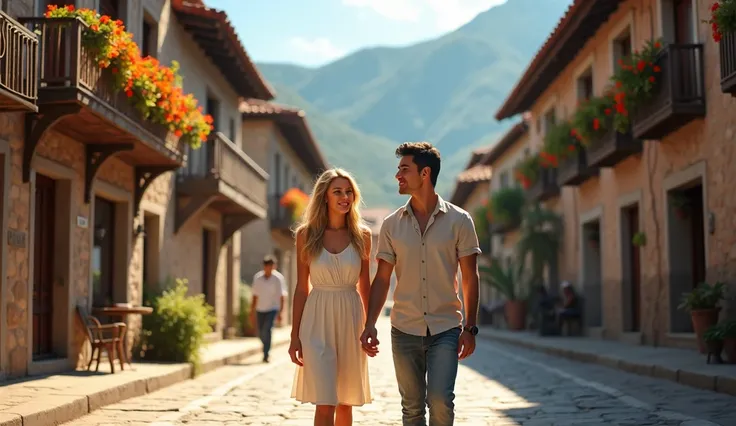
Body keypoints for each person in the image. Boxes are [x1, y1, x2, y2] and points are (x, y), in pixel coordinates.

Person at [360, 142, 482, 426]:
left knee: (440, 400)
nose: (397, 175)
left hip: (446, 328)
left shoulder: (460, 220)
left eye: (404, 169)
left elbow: (470, 276)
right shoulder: (391, 225)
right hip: (404, 329)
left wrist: (470, 327)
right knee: (412, 408)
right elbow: (382, 278)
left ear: (425, 173)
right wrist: (370, 323)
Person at [289, 168, 373, 426]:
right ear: (324, 196)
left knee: (345, 402)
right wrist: (294, 336)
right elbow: (302, 288)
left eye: (349, 192)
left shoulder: (363, 236)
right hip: (316, 319)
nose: (344, 197)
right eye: (337, 191)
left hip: (350, 317)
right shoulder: (306, 234)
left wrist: (370, 327)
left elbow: (365, 286)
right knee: (325, 401)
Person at [251, 255, 287, 363]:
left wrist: (281, 312)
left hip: (272, 308)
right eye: (267, 266)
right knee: (261, 333)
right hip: (260, 309)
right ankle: (265, 347)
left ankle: (266, 354)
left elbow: (282, 296)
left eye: (271, 266)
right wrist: (251, 311)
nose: (269, 268)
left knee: (267, 330)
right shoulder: (258, 278)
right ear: (264, 266)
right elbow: (254, 296)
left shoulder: (278, 279)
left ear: (274, 266)